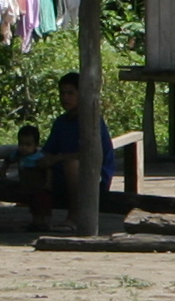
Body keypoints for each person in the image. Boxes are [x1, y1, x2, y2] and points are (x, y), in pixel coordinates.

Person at [38, 73, 117, 232]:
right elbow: (49, 151)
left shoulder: (92, 121)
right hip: (63, 175)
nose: (65, 98)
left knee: (71, 164)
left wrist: (60, 157)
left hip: (94, 175)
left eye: (70, 93)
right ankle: (40, 218)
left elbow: (91, 154)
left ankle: (74, 216)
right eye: (62, 93)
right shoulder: (61, 122)